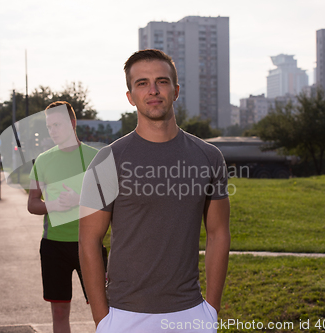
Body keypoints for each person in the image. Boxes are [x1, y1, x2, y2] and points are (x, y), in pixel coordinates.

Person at [78, 49, 230, 333]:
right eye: (142, 83)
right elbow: (89, 239)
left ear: (176, 91)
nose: (153, 90)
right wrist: (103, 319)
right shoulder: (108, 160)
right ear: (130, 97)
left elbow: (219, 233)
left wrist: (211, 309)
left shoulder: (208, 157)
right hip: (124, 315)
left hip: (190, 313)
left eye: (162, 81)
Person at [28, 101, 101, 333]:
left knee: (103, 311)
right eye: (49, 127)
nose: (53, 131)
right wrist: (53, 205)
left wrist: (79, 200)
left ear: (72, 123)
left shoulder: (96, 158)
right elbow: (32, 204)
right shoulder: (42, 160)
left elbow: (112, 203)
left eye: (57, 125)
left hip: (89, 244)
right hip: (54, 247)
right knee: (59, 312)